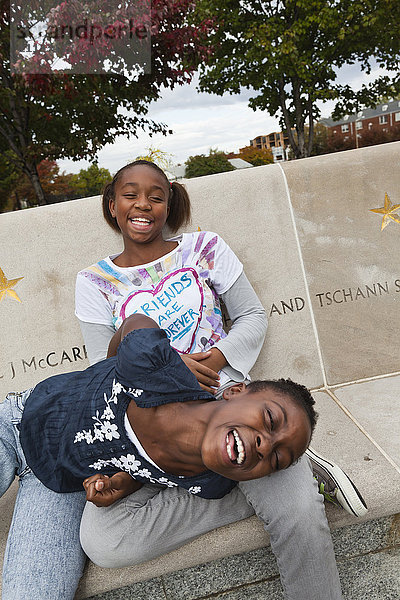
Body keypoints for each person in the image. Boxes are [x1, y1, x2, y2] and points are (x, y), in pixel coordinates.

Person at [73, 159, 366, 599]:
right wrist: (166, 368)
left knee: (298, 513)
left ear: (169, 204)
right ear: (111, 204)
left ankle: (287, 483)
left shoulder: (205, 248)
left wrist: (220, 353)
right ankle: (273, 479)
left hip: (223, 404)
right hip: (150, 420)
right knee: (105, 542)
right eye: (130, 195)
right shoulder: (93, 281)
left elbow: (251, 315)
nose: (143, 205)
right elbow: (100, 368)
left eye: (156, 196)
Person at [1, 316, 315, 599]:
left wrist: (123, 484)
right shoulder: (156, 369)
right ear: (235, 392)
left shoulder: (209, 482)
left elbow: (145, 469)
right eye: (270, 420)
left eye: (276, 459)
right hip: (17, 424)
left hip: (59, 487)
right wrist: (119, 367)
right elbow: (134, 324)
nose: (264, 445)